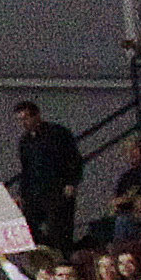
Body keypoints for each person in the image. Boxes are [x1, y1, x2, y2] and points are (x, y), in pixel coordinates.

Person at [11, 100, 83, 250]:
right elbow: (26, 169)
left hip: (57, 189)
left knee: (59, 230)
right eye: (20, 120)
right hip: (35, 192)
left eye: (26, 118)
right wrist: (21, 194)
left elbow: (73, 159)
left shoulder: (58, 133)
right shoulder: (25, 141)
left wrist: (71, 182)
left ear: (36, 116)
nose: (23, 123)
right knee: (29, 227)